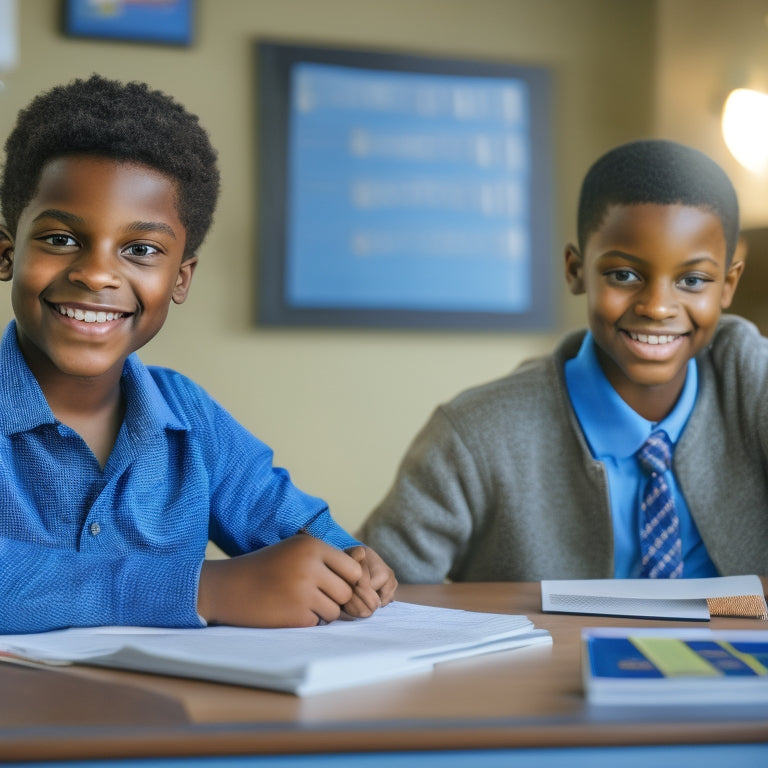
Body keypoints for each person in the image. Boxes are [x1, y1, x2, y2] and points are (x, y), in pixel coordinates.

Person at [0, 74, 396, 634]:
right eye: (62, 239)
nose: (96, 273)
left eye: (141, 250)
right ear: (6, 254)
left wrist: (352, 566)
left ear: (180, 279)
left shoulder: (188, 418)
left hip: (168, 717)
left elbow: (296, 530)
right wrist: (204, 588)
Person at [359, 138, 768, 583]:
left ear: (727, 285)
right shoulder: (477, 435)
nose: (657, 306)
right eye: (624, 275)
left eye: (692, 280)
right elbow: (377, 592)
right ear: (575, 270)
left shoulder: (750, 384)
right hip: (552, 653)